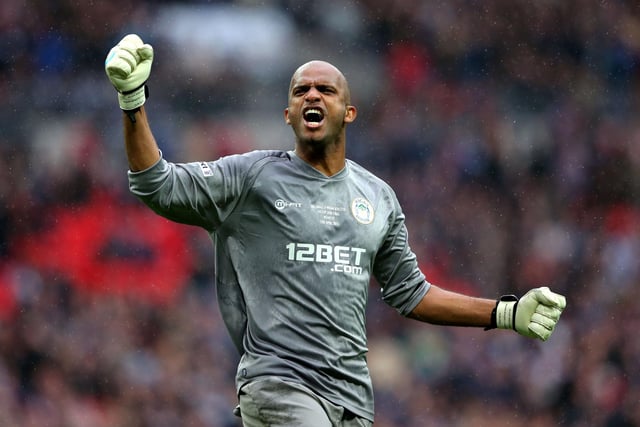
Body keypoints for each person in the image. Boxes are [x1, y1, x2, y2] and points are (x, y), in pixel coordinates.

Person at [105, 34, 567, 426]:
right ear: (287, 115)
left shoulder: (378, 197)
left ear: (348, 112)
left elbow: (411, 294)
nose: (311, 95)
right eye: (300, 89)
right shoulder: (250, 178)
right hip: (279, 386)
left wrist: (504, 313)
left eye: (325, 89)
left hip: (352, 400)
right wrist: (133, 100)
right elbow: (156, 185)